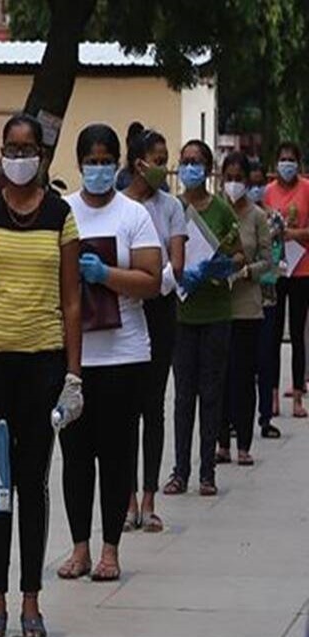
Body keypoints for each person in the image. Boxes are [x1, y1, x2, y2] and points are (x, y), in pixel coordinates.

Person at [0, 113, 82, 637]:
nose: (18, 157)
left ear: (42, 155)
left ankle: (31, 598)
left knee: (32, 481)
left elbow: (72, 300)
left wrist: (73, 373)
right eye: (10, 148)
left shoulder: (61, 215)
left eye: (27, 148)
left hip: (43, 361)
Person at [55, 124, 162, 583]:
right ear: (79, 164)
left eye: (105, 161)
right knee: (75, 455)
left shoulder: (133, 215)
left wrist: (105, 275)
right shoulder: (63, 212)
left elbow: (151, 280)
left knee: (117, 455)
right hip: (75, 357)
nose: (98, 168)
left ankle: (110, 550)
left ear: (116, 164)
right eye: (90, 161)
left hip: (124, 354)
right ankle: (79, 547)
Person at [165, 139, 241, 497]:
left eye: (196, 162)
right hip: (182, 314)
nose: (190, 168)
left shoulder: (222, 210)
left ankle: (207, 472)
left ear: (208, 169)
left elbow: (239, 256)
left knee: (211, 394)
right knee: (183, 397)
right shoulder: (173, 208)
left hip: (215, 313)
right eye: (185, 161)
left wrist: (220, 266)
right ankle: (179, 471)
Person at [121, 123, 187, 533]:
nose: (163, 167)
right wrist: (132, 284)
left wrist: (151, 283)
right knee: (126, 409)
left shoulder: (171, 207)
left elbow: (176, 263)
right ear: (138, 163)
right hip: (125, 310)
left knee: (153, 406)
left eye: (166, 161)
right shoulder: (120, 205)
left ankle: (149, 497)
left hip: (159, 308)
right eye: (157, 161)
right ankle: (126, 498)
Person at [216, 152, 273, 466]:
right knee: (220, 379)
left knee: (243, 376)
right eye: (229, 178)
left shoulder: (257, 216)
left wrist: (247, 271)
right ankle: (221, 442)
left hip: (247, 307)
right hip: (218, 306)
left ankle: (244, 445)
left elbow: (268, 261)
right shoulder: (216, 211)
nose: (234, 184)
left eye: (239, 178)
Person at [265, 142, 309, 417]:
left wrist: (296, 234)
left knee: (297, 334)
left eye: (291, 159)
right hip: (277, 268)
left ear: (299, 163)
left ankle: (298, 395)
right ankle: (272, 396)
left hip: (302, 269)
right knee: (272, 333)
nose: (287, 164)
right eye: (283, 159)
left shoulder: (307, 189)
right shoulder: (268, 192)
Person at [251, 159, 283, 439]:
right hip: (237, 300)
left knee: (266, 358)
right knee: (238, 364)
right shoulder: (230, 215)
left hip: (267, 298)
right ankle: (236, 418)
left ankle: (265, 416)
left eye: (259, 184)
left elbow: (276, 259)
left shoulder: (274, 219)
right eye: (250, 183)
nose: (254, 189)